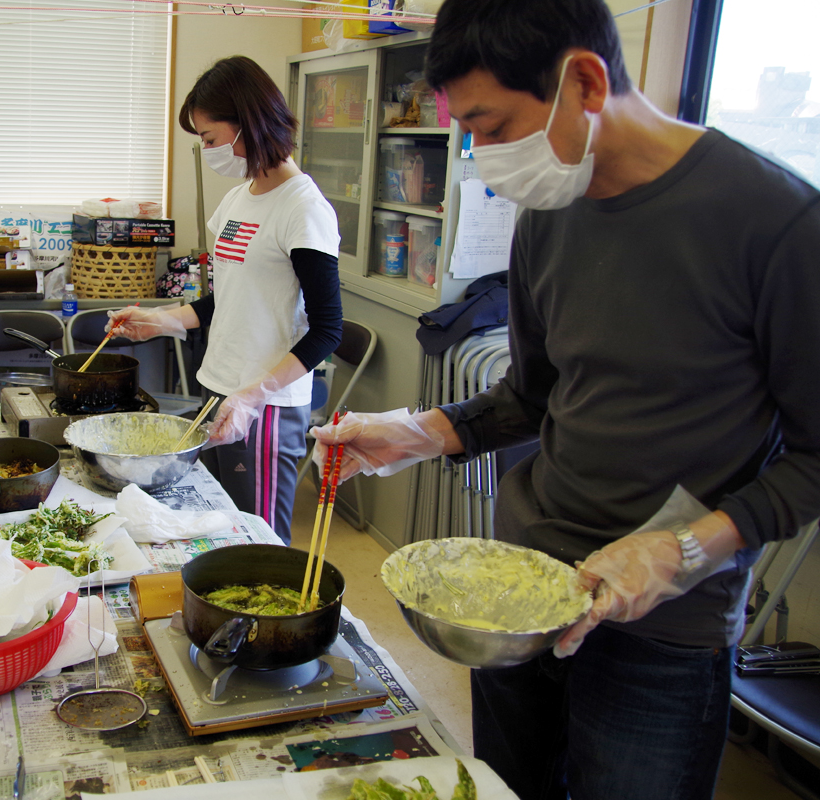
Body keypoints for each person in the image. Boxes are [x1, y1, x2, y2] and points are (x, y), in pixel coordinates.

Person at [310, 0, 820, 798]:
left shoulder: (778, 224)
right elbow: (534, 397)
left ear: (584, 80)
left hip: (665, 625)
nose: (480, 155)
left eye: (491, 124)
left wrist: (681, 549)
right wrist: (419, 431)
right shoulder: (550, 211)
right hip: (522, 589)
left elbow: (814, 459)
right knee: (510, 785)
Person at [107, 56, 342, 543]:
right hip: (218, 387)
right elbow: (228, 299)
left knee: (258, 540)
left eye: (211, 138)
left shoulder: (303, 209)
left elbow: (327, 329)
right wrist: (162, 320)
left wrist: (252, 396)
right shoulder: (238, 200)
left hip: (265, 403)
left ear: (248, 123)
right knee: (219, 523)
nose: (208, 150)